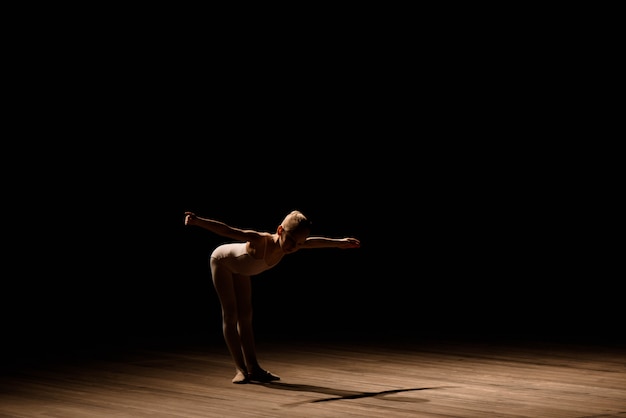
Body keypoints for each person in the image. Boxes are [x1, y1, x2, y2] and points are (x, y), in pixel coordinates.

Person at [184, 210, 361, 384]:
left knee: (246, 316)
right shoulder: (261, 240)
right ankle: (240, 369)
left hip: (240, 268)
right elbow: (228, 230)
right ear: (280, 231)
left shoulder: (294, 244)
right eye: (291, 240)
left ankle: (253, 368)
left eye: (299, 244)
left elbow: (313, 242)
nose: (293, 247)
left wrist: (339, 243)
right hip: (222, 262)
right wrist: (198, 221)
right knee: (231, 315)